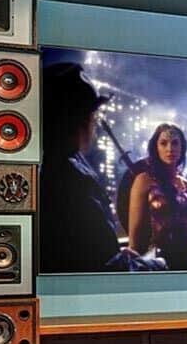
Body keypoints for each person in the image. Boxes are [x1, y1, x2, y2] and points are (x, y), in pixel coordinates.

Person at [39, 63, 164, 273]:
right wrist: (153, 265)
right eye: (92, 113)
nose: (95, 121)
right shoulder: (70, 181)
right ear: (77, 119)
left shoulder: (54, 166)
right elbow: (99, 266)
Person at [127, 123, 187, 270]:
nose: (170, 149)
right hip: (159, 262)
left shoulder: (185, 184)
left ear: (182, 148)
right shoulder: (144, 181)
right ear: (156, 147)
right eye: (163, 143)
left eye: (175, 143)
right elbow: (134, 240)